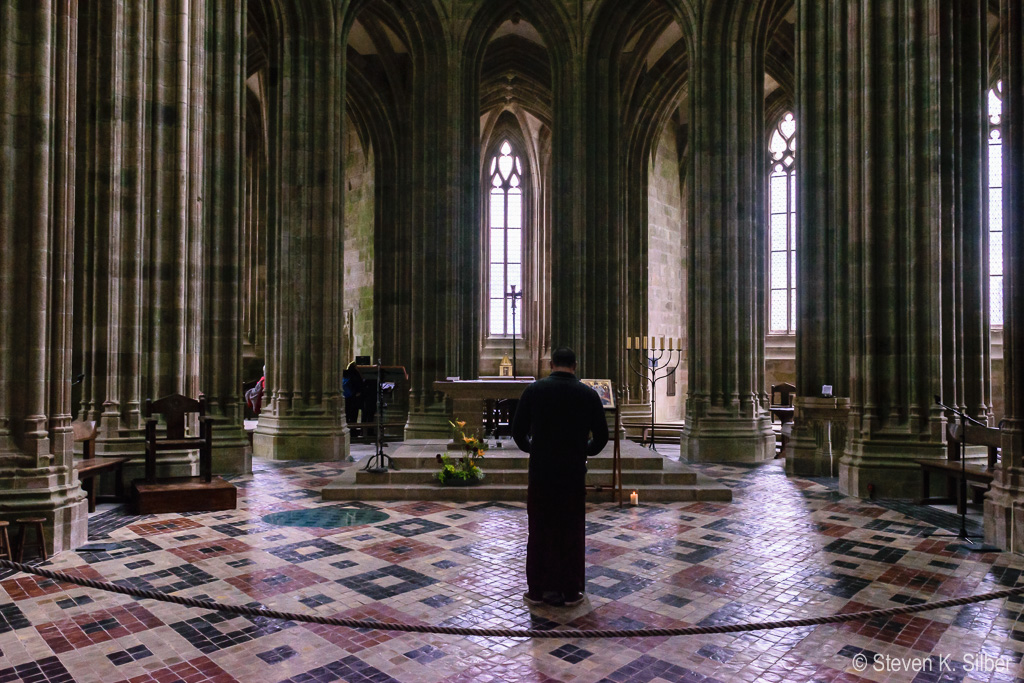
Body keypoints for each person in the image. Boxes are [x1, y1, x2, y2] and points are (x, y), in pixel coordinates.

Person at [512, 347, 609, 607]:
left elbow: (518, 432)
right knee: (571, 528)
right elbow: (601, 437)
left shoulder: (534, 390)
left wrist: (534, 449)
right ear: (575, 366)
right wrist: (582, 451)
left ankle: (539, 591)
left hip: (542, 472)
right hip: (572, 473)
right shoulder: (588, 394)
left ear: (551, 364)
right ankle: (570, 591)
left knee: (541, 528)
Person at [343, 361, 366, 435]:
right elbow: (360, 385)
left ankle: (347, 431)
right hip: (353, 398)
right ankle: (353, 432)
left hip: (346, 398)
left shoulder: (345, 373)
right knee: (353, 416)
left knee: (347, 415)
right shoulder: (355, 374)